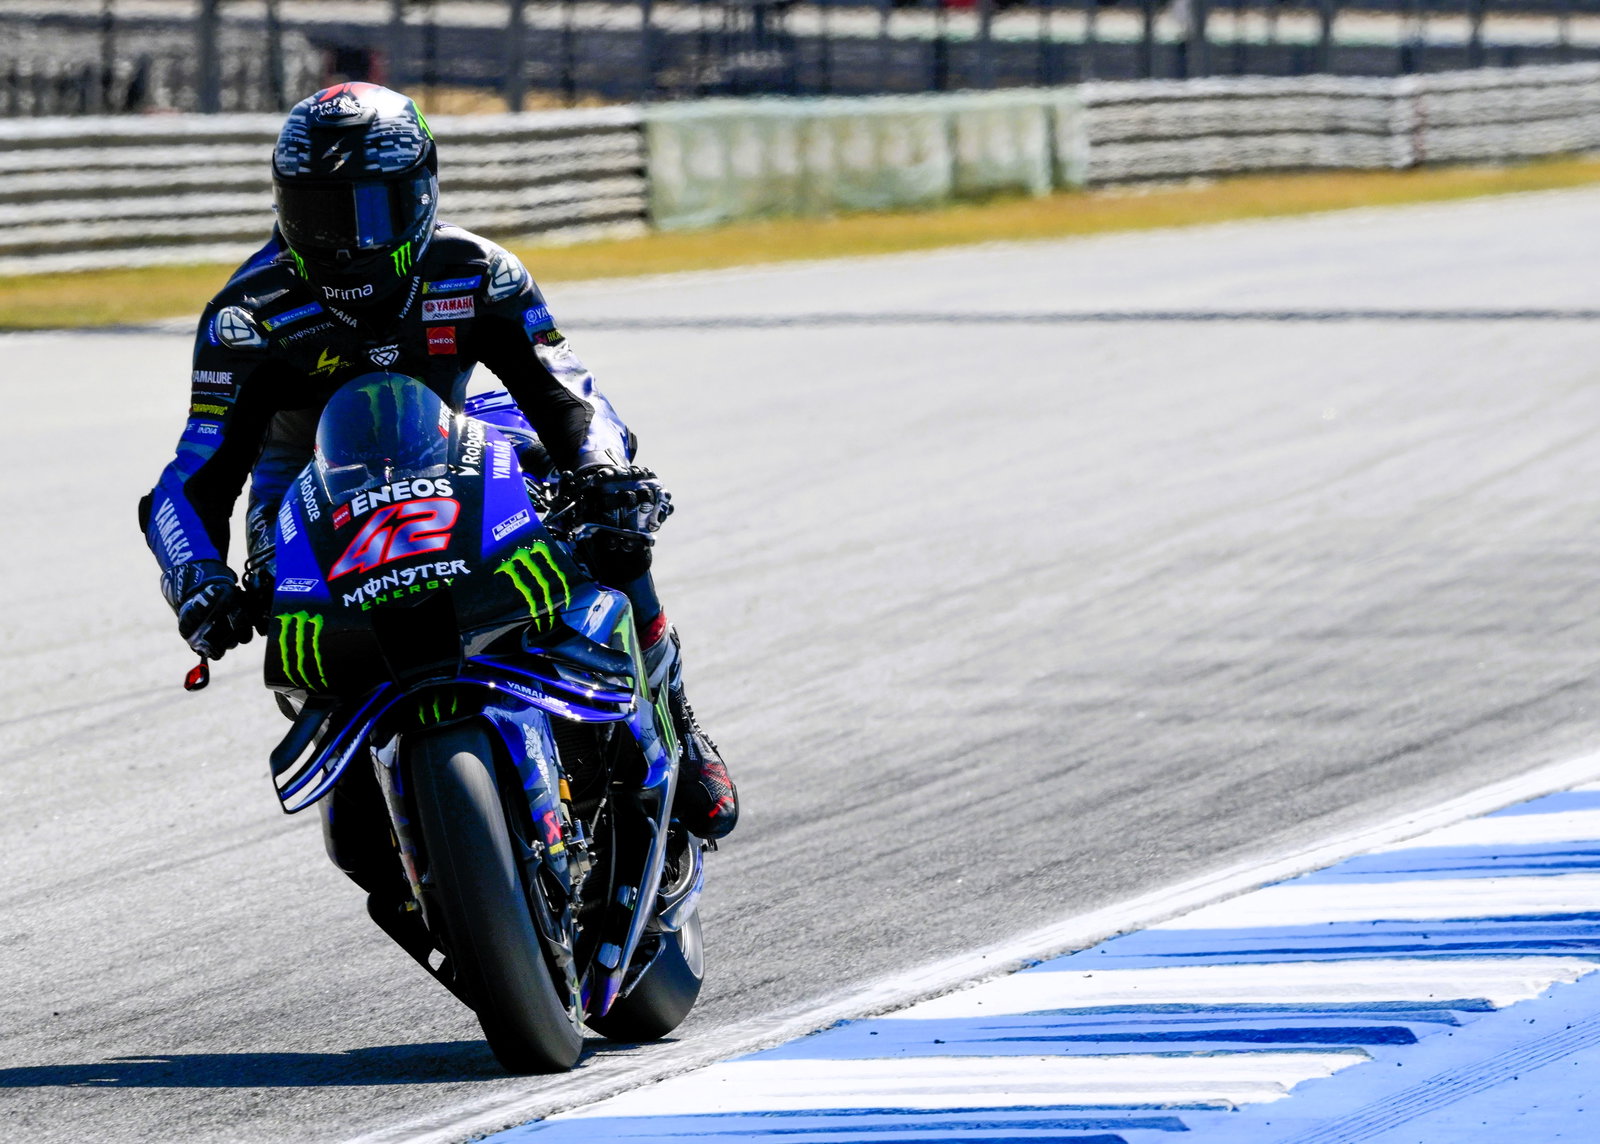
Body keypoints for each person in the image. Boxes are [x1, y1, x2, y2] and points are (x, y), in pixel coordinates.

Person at [137, 82, 737, 840]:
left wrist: (604, 471)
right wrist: (201, 583)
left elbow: (567, 393)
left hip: (459, 436)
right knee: (312, 679)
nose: (349, 240)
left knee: (613, 530)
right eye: (323, 212)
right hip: (303, 481)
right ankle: (371, 792)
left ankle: (674, 719)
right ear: (285, 206)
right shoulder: (246, 317)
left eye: (372, 209)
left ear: (421, 193)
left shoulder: (478, 270)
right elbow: (191, 478)